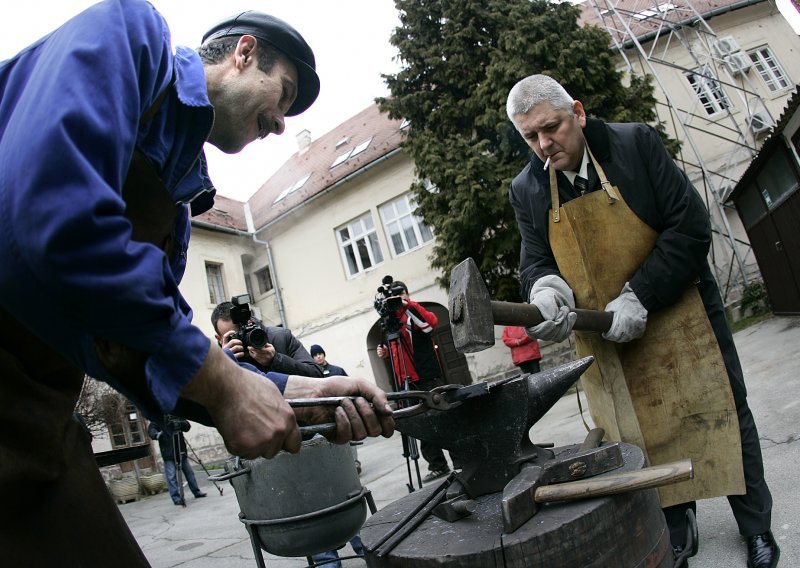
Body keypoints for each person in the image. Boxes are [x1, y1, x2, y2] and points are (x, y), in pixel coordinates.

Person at [0, 4, 393, 565]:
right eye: (281, 94)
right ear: (244, 52)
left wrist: (300, 393)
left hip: (33, 423)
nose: (282, 123)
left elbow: (147, 341)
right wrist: (228, 389)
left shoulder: (179, 200)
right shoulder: (128, 34)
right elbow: (50, 217)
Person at [505, 74, 778, 568]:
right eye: (531, 137)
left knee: (725, 411)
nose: (544, 145)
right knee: (640, 432)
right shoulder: (527, 189)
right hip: (607, 340)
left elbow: (691, 227)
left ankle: (756, 527)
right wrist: (545, 291)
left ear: (579, 113)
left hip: (682, 311)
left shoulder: (634, 143)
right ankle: (677, 526)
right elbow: (535, 262)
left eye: (553, 127)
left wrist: (640, 296)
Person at [376, 281, 457, 482]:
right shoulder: (391, 320)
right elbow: (398, 348)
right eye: (393, 296)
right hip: (407, 380)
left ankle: (460, 459)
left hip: (426, 375)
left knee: (442, 418)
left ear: (406, 293)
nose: (397, 299)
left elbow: (430, 325)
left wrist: (406, 304)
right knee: (420, 423)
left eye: (400, 294)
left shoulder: (412, 310)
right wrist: (385, 352)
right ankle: (438, 465)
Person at [211, 301, 323, 377]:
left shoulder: (280, 337)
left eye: (243, 330)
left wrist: (276, 360)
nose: (243, 337)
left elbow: (317, 374)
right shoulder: (216, 360)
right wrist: (225, 363)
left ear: (249, 321)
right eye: (233, 336)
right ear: (220, 339)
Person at [148, 416, 207, 505]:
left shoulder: (175, 415)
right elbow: (152, 430)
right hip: (168, 453)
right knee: (171, 476)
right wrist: (157, 434)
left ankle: (196, 492)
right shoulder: (157, 417)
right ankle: (176, 498)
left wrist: (179, 424)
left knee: (189, 473)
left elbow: (187, 426)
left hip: (181, 451)